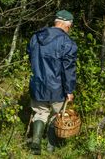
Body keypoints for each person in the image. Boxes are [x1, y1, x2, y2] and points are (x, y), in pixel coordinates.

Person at [27, 10, 77, 155]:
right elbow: (68, 69)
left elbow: (30, 56)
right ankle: (50, 146)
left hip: (37, 84)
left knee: (40, 113)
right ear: (66, 24)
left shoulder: (36, 37)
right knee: (56, 115)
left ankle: (36, 143)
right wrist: (69, 90)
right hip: (57, 87)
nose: (69, 29)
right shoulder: (67, 42)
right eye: (70, 26)